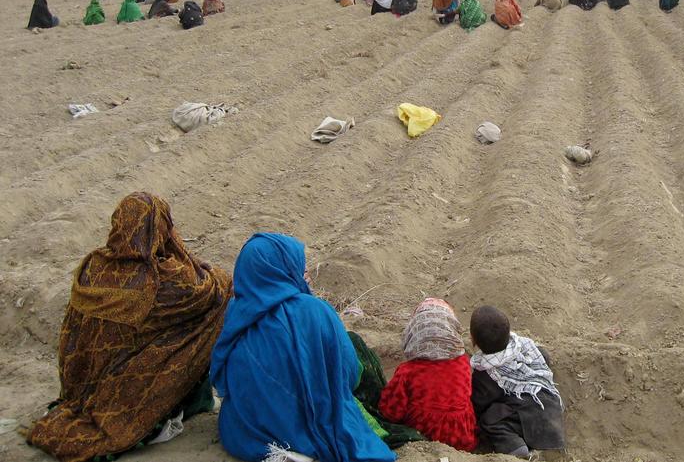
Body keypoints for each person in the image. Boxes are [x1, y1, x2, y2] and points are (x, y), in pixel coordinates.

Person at [26, 193, 232, 462]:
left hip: (80, 385)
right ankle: (181, 401)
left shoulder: (93, 265)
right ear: (161, 228)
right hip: (126, 396)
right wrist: (186, 256)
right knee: (218, 306)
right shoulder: (166, 278)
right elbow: (218, 286)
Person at [210, 233, 397, 462]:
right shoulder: (315, 310)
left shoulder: (235, 312)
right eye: (301, 268)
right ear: (282, 270)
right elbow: (348, 375)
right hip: (306, 425)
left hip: (247, 427)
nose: (306, 274)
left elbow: (222, 378)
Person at [378, 299, 477, 451]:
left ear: (415, 332)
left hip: (423, 433)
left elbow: (391, 411)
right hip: (462, 436)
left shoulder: (408, 371)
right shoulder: (463, 363)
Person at [470, 306, 564, 458]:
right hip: (552, 409)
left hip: (526, 422)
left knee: (489, 419)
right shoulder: (526, 346)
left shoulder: (487, 373)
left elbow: (478, 404)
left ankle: (515, 447)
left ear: (473, 340)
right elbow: (545, 357)